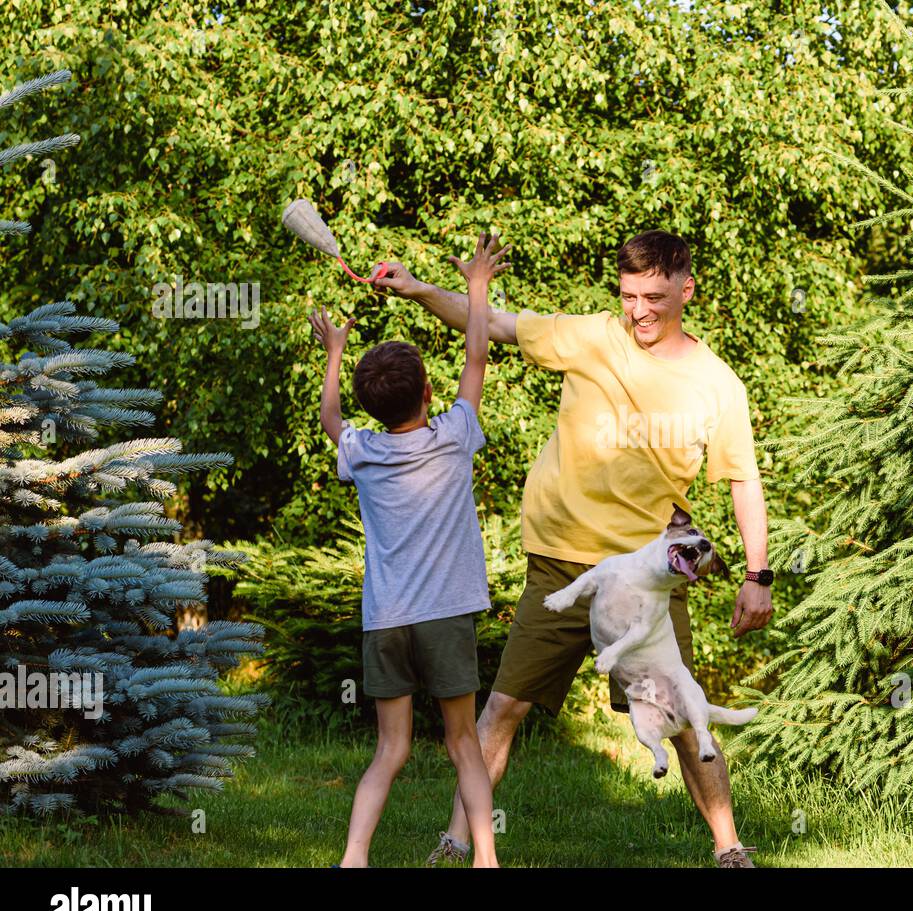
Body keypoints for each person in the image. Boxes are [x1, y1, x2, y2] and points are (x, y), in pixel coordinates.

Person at [375, 229, 774, 868]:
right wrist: (419, 288)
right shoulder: (590, 336)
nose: (639, 311)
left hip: (649, 576)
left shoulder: (717, 384)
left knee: (677, 710)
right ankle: (455, 843)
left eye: (653, 297)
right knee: (503, 706)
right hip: (561, 559)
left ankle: (729, 848)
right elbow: (496, 324)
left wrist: (758, 573)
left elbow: (742, 480)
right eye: (628, 296)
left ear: (685, 290)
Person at [311, 231, 511, 867]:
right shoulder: (454, 437)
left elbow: (331, 420)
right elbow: (476, 359)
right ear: (429, 394)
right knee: (462, 743)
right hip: (446, 614)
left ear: (376, 405)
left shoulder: (363, 453)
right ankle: (484, 859)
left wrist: (335, 354)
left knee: (389, 751)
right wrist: (476, 285)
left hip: (388, 620)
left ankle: (354, 858)